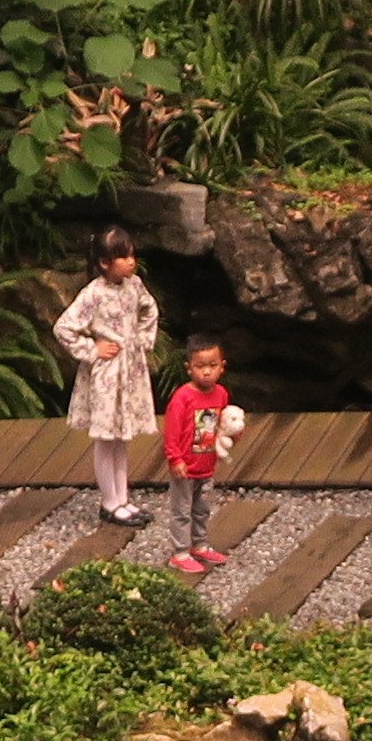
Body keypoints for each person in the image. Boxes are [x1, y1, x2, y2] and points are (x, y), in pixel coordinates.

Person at [52, 232, 167, 522]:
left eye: (132, 255)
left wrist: (142, 339)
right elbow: (64, 327)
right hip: (108, 371)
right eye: (124, 257)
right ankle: (109, 501)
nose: (131, 262)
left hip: (129, 369)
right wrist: (93, 348)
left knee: (121, 438)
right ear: (105, 262)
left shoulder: (134, 286)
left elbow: (150, 309)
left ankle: (123, 497)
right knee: (106, 438)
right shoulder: (93, 294)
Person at [159, 340, 245, 563]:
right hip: (185, 466)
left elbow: (221, 423)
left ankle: (200, 543)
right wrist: (175, 458)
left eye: (212, 365)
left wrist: (231, 435)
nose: (207, 371)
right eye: (200, 366)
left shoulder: (221, 394)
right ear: (189, 368)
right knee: (182, 510)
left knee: (202, 508)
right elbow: (171, 432)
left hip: (207, 463)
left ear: (222, 366)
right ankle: (180, 552)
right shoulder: (182, 398)